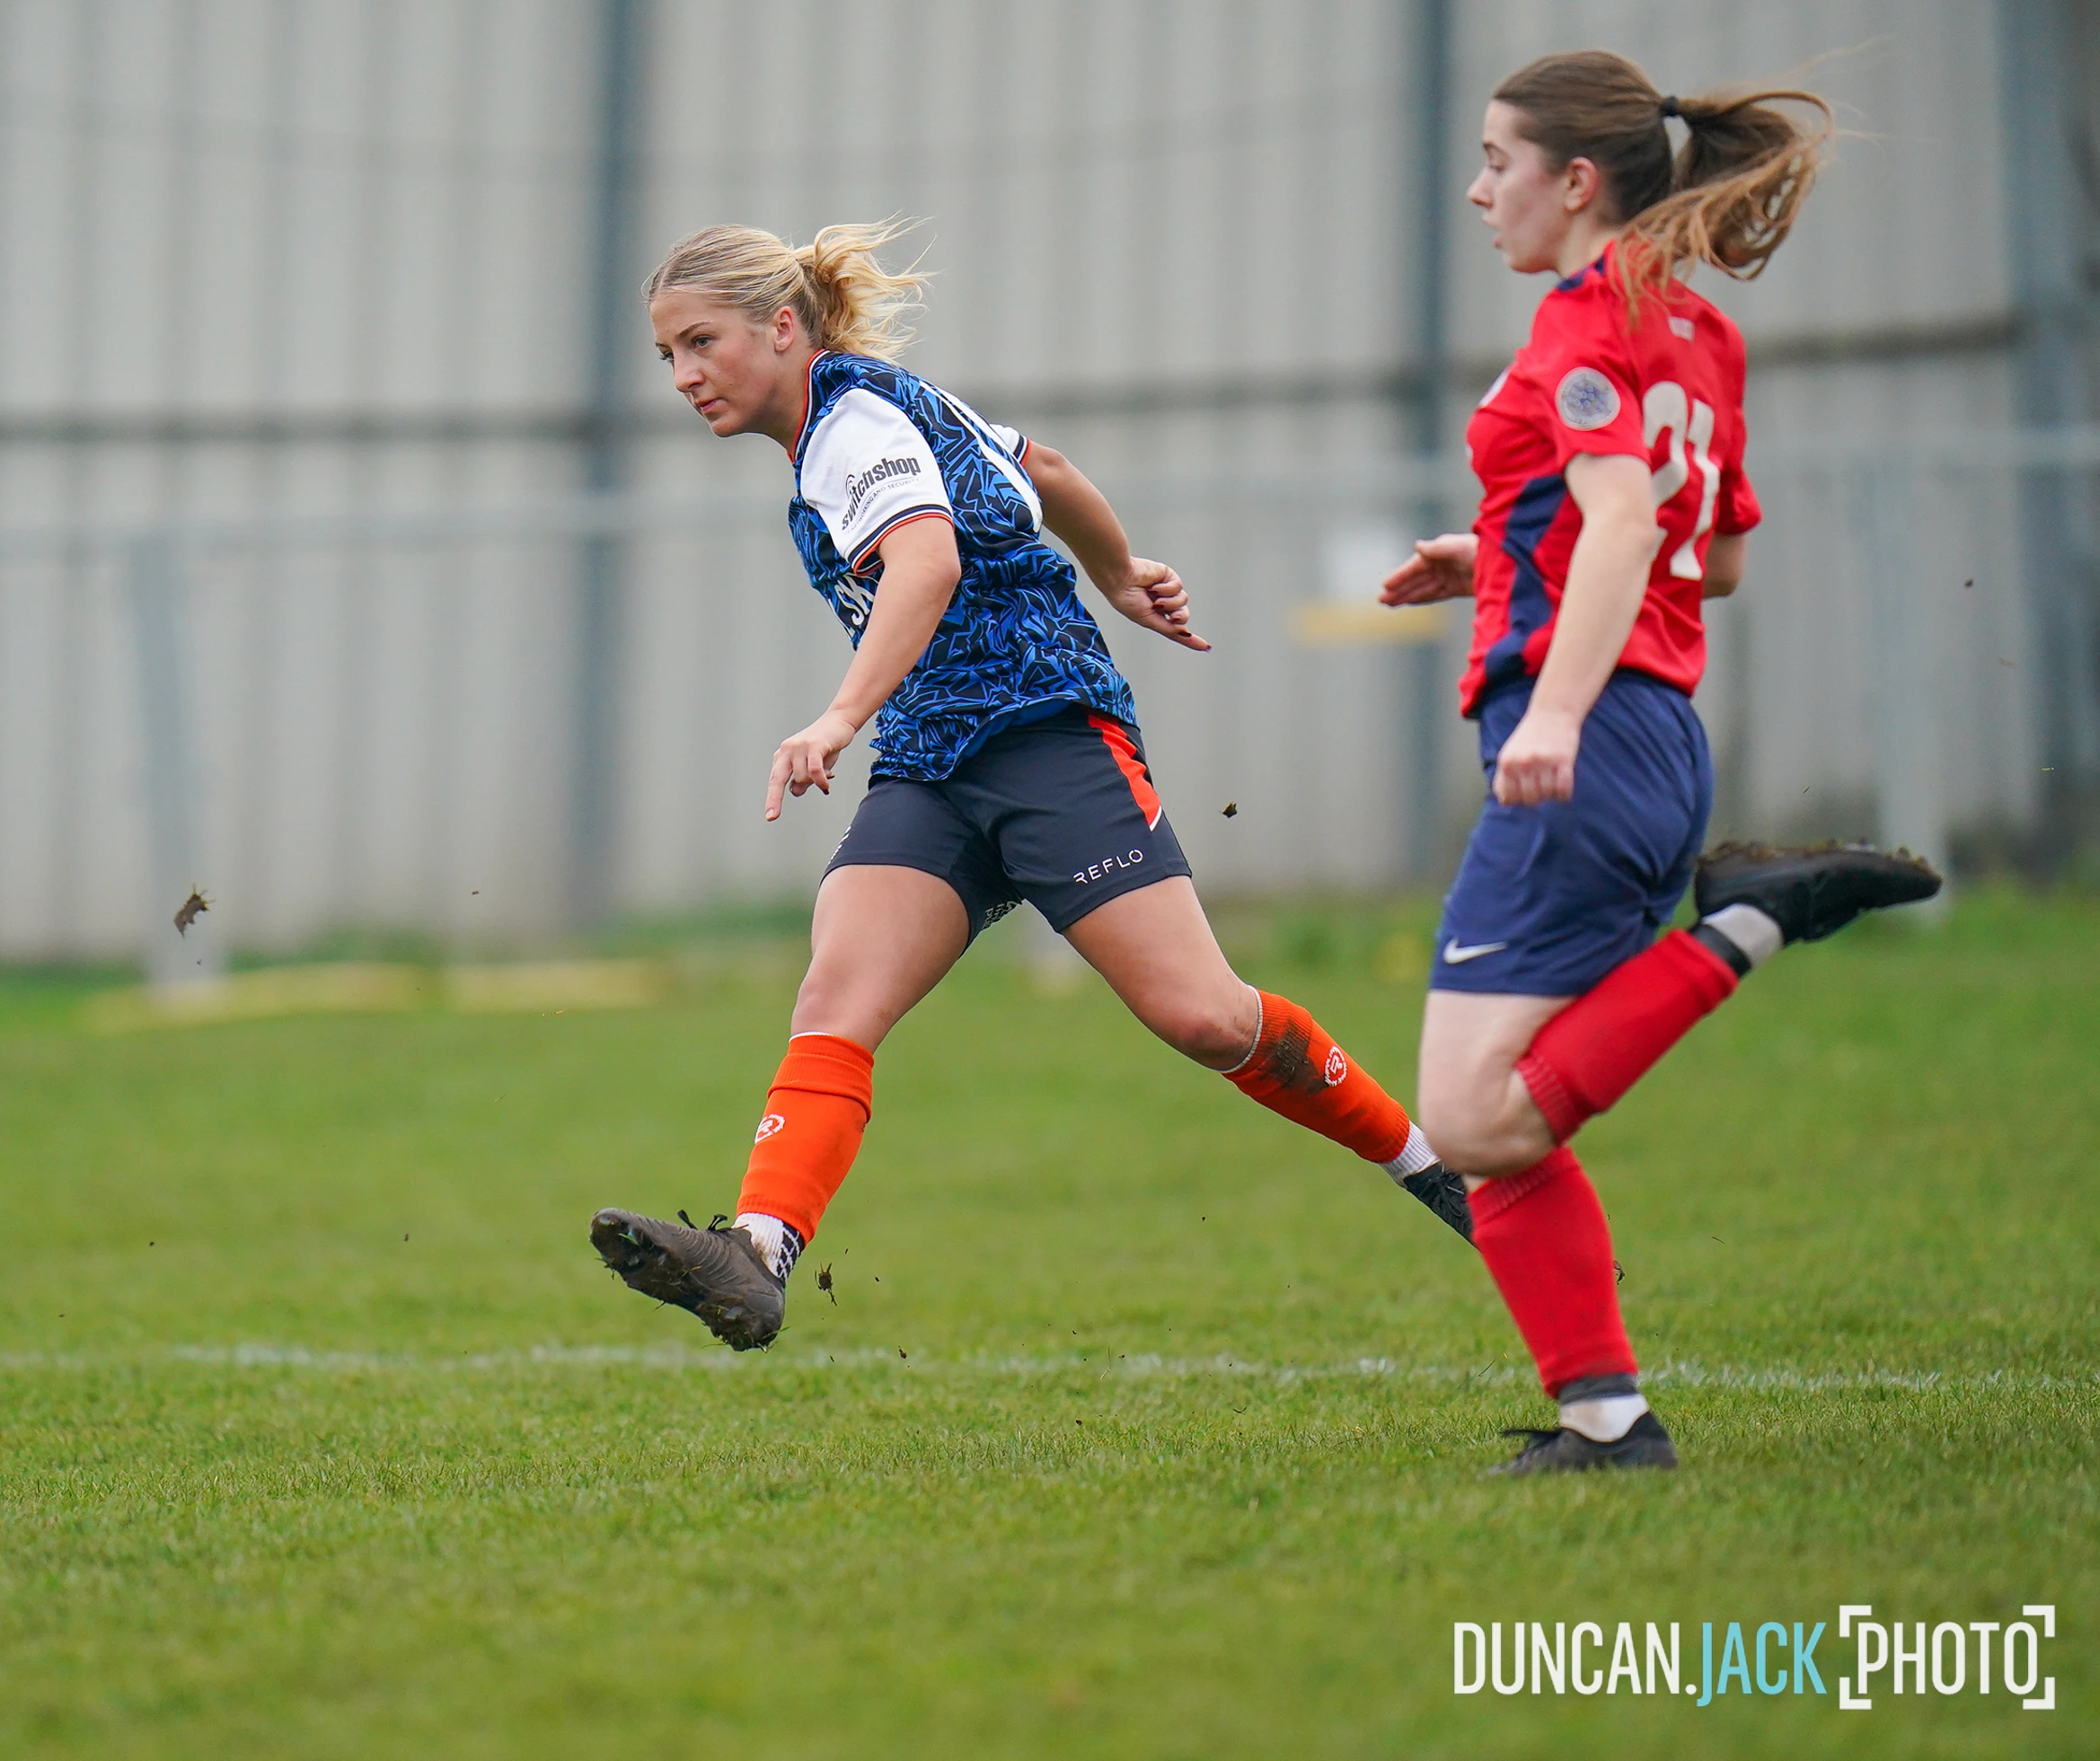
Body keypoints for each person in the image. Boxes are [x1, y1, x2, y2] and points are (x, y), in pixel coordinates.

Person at [592, 221, 1470, 1352]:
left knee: (1206, 1017)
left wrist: (837, 716)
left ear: (781, 325)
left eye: (700, 343)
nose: (683, 377)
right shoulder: (865, 410)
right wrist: (1116, 571)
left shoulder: (852, 427)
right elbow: (1042, 470)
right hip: (932, 763)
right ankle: (757, 1252)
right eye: (667, 354)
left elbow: (928, 560)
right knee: (836, 1000)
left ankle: (1440, 1172)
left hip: (1046, 735)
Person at [1378, 52, 1938, 1474]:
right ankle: (1607, 1422)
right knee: (1500, 1114)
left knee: (1468, 1113)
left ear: (1576, 183)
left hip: (1593, 735)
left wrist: (1553, 710)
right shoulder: (1693, 328)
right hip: (1657, 730)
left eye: (1497, 160)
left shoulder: (1581, 320)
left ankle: (1753, 917)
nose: (1477, 188)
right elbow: (1719, 552)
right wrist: (1496, 563)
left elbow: (1629, 529)